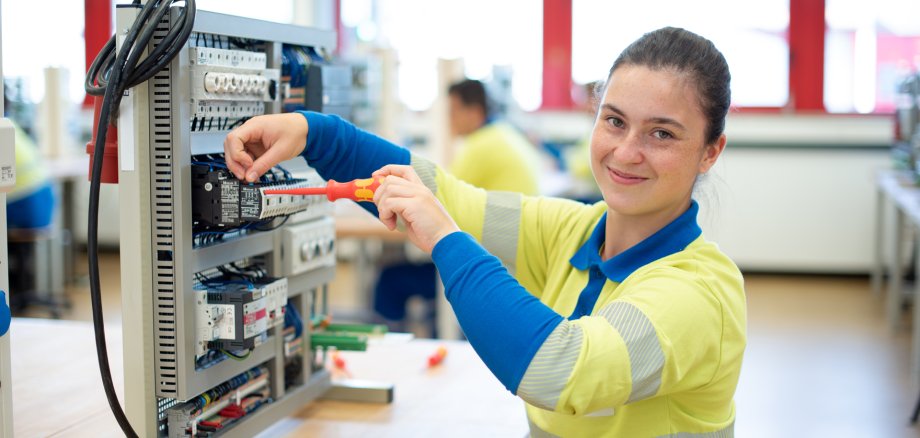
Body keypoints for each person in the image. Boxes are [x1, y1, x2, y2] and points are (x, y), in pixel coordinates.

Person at [225, 27, 744, 436]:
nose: (626, 152)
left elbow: (559, 370)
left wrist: (445, 239)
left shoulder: (700, 293)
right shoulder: (575, 229)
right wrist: (316, 133)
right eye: (614, 121)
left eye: (661, 133)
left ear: (710, 151)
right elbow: (452, 200)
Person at [446, 79, 541, 195]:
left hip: (511, 207)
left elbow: (445, 193)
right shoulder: (505, 131)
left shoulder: (480, 145)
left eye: (453, 111)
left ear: (474, 112)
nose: (450, 118)